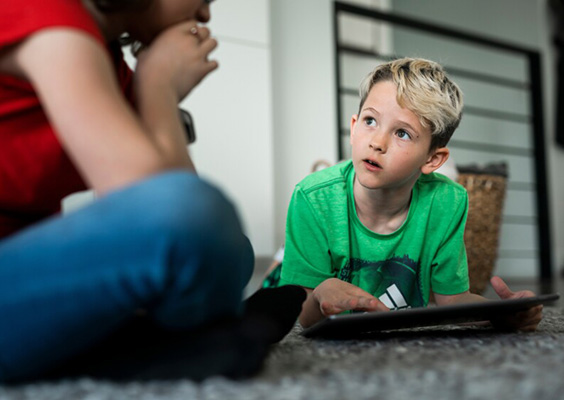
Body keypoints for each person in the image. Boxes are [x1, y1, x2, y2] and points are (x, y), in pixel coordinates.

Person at [0, 0, 305, 383]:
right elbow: (169, 207)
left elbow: (172, 211)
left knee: (235, 249)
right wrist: (159, 86)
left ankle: (146, 343)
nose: (207, 16)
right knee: (197, 226)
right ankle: (154, 346)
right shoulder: (50, 16)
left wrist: (151, 90)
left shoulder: (112, 65)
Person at [271, 57, 543, 331]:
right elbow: (304, 318)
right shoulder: (312, 197)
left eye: (402, 133)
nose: (377, 142)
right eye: (370, 121)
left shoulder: (448, 202)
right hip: (329, 348)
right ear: (353, 128)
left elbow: (452, 300)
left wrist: (503, 313)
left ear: (433, 160)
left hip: (400, 351)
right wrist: (320, 293)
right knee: (269, 298)